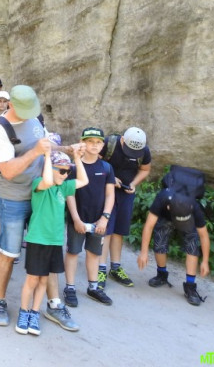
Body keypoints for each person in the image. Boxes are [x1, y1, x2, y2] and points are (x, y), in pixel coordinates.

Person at [0, 85, 77, 332]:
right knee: (9, 252)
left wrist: (67, 149)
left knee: (48, 247)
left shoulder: (35, 119)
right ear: (11, 104)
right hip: (15, 198)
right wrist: (35, 152)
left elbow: (46, 147)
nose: (29, 114)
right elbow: (7, 170)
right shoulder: (0, 128)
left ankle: (54, 304)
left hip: (43, 193)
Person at [15, 149, 88, 336]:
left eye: (68, 171)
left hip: (54, 241)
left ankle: (35, 312)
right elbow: (47, 180)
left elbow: (83, 181)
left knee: (44, 279)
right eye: (61, 171)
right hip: (38, 239)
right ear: (50, 168)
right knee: (32, 279)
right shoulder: (39, 183)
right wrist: (47, 156)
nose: (65, 175)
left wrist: (77, 158)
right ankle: (23, 312)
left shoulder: (64, 187)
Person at [63, 127, 115, 307]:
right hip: (77, 218)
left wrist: (105, 218)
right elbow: (69, 193)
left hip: (98, 219)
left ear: (103, 145)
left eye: (98, 142)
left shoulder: (106, 167)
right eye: (90, 141)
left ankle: (93, 287)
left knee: (94, 253)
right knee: (73, 252)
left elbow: (110, 194)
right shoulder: (74, 166)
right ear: (82, 143)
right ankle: (70, 287)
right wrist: (76, 219)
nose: (94, 145)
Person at [99, 126, 152, 289]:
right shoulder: (109, 144)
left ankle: (115, 268)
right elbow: (94, 162)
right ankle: (100, 268)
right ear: (122, 139)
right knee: (106, 228)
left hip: (126, 193)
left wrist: (133, 184)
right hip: (106, 190)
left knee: (119, 230)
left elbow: (145, 169)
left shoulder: (144, 151)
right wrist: (110, 178)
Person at [137, 190, 210, 305]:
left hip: (188, 221)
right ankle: (162, 275)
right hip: (166, 217)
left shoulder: (195, 207)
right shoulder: (161, 199)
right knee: (160, 239)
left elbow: (203, 236)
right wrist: (144, 252)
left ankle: (190, 286)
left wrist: (205, 261)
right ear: (169, 206)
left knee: (192, 245)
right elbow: (149, 226)